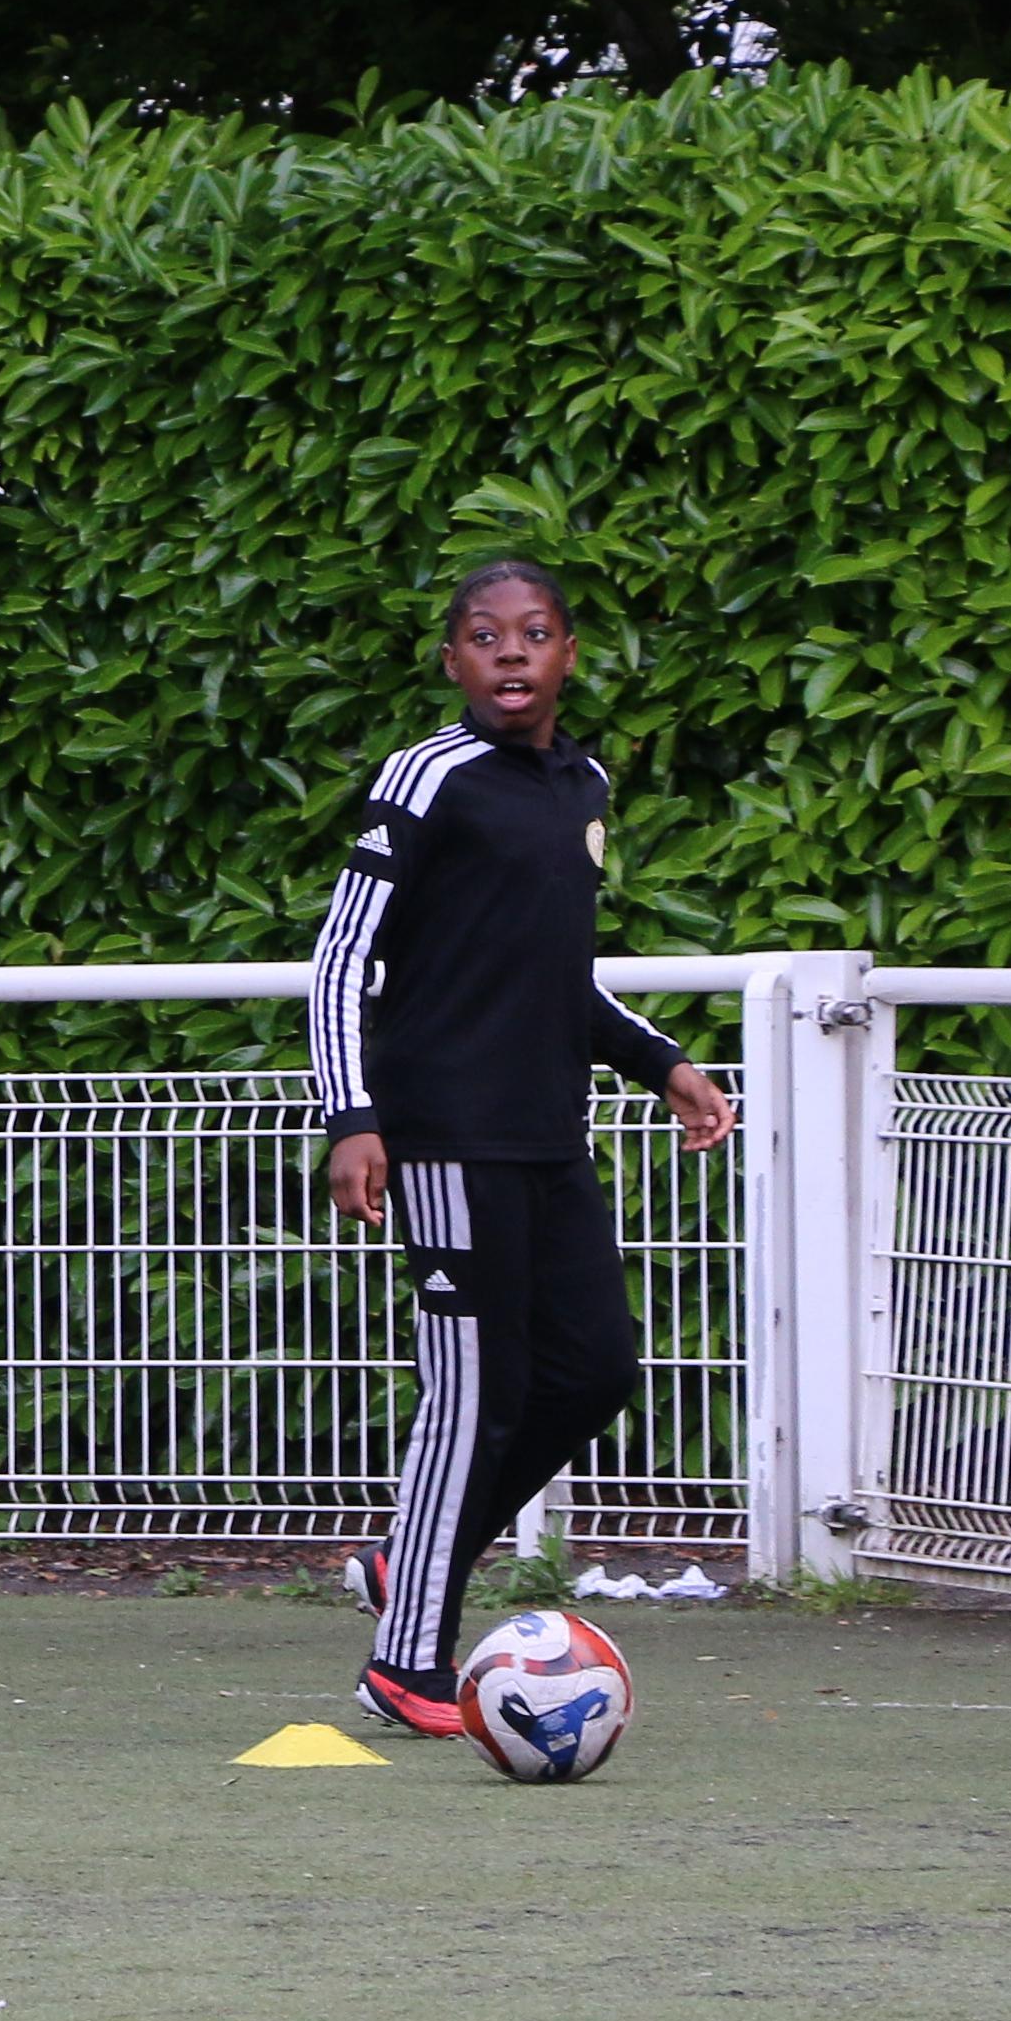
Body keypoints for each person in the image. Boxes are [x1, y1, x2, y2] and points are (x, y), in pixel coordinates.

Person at [309, 560, 735, 1736]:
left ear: (568, 656)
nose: (510, 653)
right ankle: (404, 1669)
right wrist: (354, 1115)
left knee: (596, 1371)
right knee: (473, 1394)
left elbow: (560, 978)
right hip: (442, 1135)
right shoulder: (427, 777)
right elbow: (343, 958)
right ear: (453, 662)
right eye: (485, 636)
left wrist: (666, 1064)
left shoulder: (580, 786)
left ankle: (417, 1561)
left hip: (548, 1135)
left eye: (534, 634)